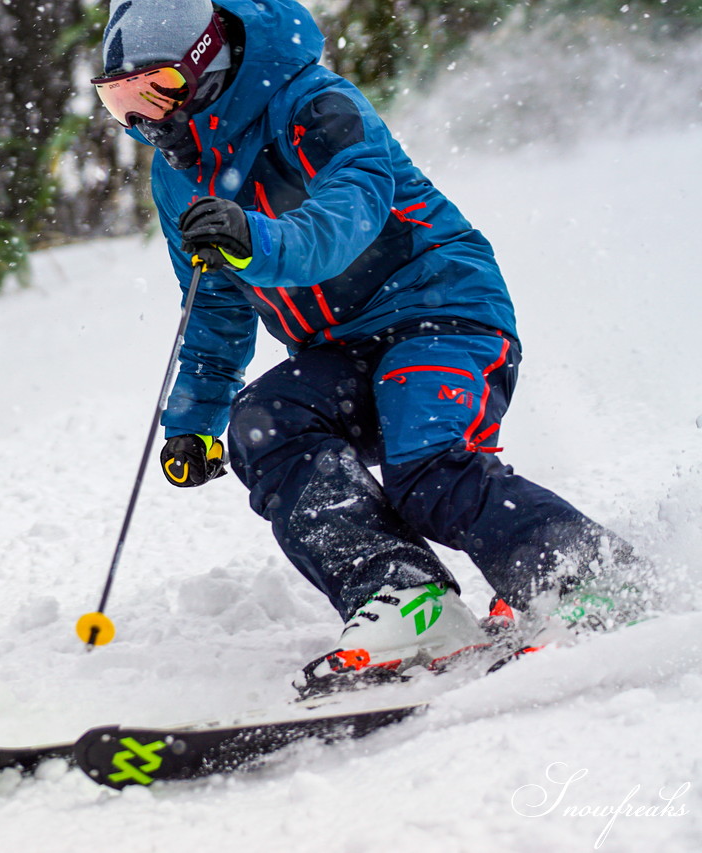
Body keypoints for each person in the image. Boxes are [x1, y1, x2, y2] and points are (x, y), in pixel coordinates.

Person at [92, 0, 649, 695]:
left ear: (209, 64)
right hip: (341, 349)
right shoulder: (178, 175)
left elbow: (344, 219)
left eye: (156, 89)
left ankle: (588, 576)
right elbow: (213, 306)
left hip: (440, 312)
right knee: (267, 426)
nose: (145, 118)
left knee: (429, 470)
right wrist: (193, 423)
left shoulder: (315, 106)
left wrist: (255, 238)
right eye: (121, 102)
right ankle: (408, 595)